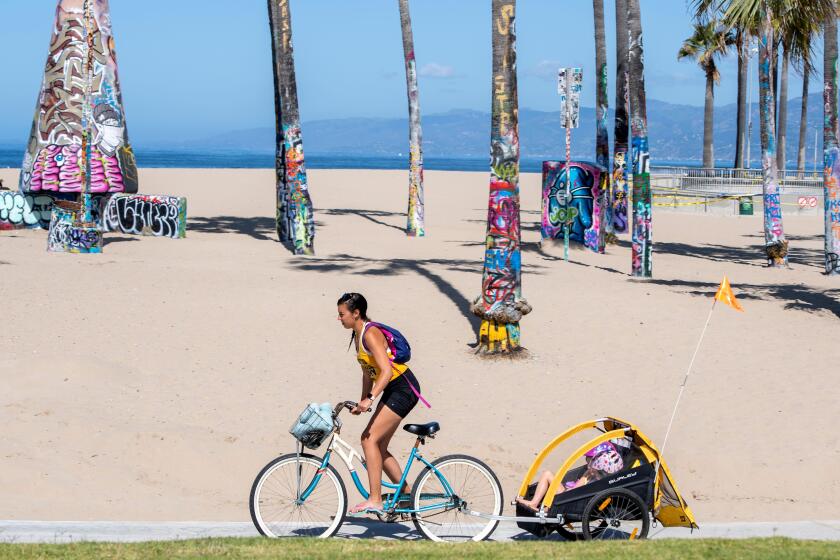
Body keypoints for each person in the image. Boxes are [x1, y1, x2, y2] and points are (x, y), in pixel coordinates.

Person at [337, 292, 421, 513]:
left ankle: (375, 499)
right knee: (378, 447)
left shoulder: (370, 333)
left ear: (356, 313)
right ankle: (406, 495)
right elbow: (368, 372)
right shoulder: (357, 336)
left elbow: (385, 371)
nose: (339, 318)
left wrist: (372, 398)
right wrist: (363, 400)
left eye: (342, 314)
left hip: (403, 388)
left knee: (368, 440)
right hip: (391, 389)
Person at [516, 442, 624, 511]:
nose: (588, 464)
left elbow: (574, 492)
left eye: (590, 461)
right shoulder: (592, 476)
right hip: (571, 497)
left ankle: (535, 503)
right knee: (548, 475)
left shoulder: (591, 478)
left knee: (547, 474)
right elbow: (575, 490)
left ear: (600, 463)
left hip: (571, 501)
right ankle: (537, 504)